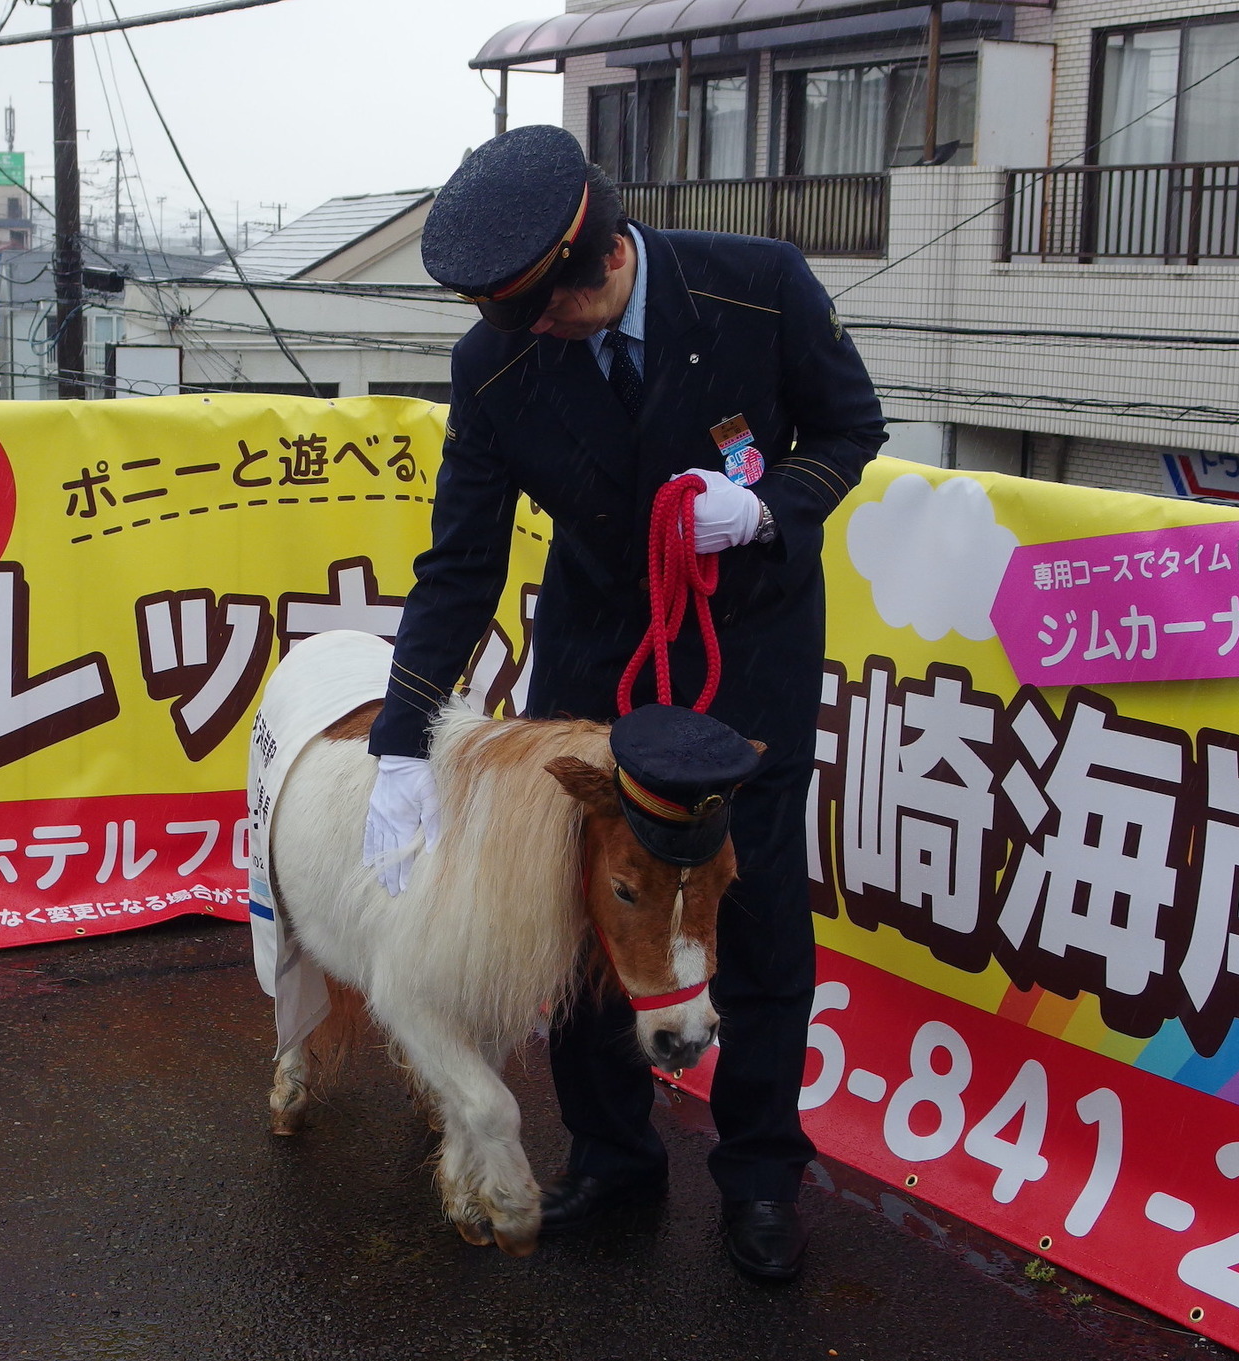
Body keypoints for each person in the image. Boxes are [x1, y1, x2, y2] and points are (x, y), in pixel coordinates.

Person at [360, 124, 885, 1281]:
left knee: (752, 926)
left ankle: (757, 1174)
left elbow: (852, 428)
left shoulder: (757, 289)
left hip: (746, 661)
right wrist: (402, 741)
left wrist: (765, 509)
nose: (532, 334)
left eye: (543, 308)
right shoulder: (495, 368)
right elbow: (463, 564)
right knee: (587, 924)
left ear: (596, 257)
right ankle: (612, 1152)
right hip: (597, 669)